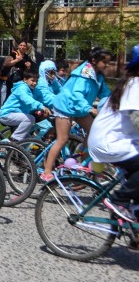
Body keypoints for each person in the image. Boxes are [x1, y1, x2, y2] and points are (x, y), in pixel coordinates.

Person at [41, 47, 112, 181]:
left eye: (108, 62)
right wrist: (90, 109)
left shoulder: (98, 75)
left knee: (94, 131)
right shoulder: (83, 74)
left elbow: (106, 94)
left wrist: (115, 103)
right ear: (94, 61)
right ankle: (47, 171)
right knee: (63, 139)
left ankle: (84, 165)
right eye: (105, 62)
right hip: (66, 107)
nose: (107, 65)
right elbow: (77, 94)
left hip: (79, 109)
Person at [87, 44, 139, 222]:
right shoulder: (135, 84)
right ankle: (119, 200)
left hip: (122, 140)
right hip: (109, 141)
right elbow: (137, 118)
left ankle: (134, 226)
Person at [0, 69, 51, 142]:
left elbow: (43, 99)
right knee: (30, 119)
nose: (35, 83)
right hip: (7, 114)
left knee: (27, 141)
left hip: (18, 115)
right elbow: (28, 100)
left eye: (36, 81)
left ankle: (11, 150)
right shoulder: (21, 89)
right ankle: (14, 140)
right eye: (32, 80)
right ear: (25, 80)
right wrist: (41, 106)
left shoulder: (34, 90)